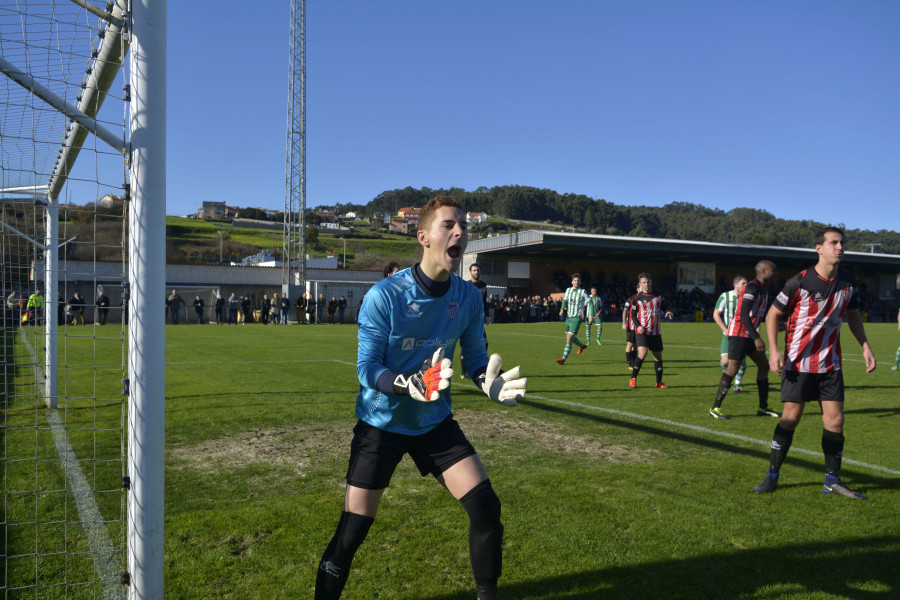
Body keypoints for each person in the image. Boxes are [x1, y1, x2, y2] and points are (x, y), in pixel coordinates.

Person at [314, 197, 526, 600]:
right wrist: (406, 385)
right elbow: (367, 368)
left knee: (486, 509)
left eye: (463, 225)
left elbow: (476, 360)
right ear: (424, 237)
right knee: (351, 532)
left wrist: (488, 382)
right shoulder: (385, 295)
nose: (460, 232)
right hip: (382, 424)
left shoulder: (468, 297)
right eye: (449, 225)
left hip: (433, 422)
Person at [754, 227, 876, 499]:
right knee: (791, 418)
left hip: (830, 364)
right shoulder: (800, 281)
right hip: (798, 363)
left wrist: (865, 345)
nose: (840, 247)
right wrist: (774, 351)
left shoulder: (848, 281)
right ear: (819, 248)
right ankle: (772, 475)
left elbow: (853, 315)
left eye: (842, 242)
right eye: (833, 242)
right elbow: (772, 315)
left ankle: (832, 480)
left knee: (835, 421)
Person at [708, 262, 781, 419]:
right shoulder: (752, 287)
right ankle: (715, 408)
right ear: (763, 271)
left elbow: (757, 315)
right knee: (732, 369)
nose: (776, 273)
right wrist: (757, 338)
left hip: (749, 334)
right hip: (740, 335)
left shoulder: (763, 289)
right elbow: (742, 314)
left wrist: (779, 325)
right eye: (773, 271)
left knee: (763, 366)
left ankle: (763, 407)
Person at [629, 273, 674, 388]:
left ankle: (659, 382)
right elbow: (633, 315)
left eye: (648, 282)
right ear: (640, 284)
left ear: (651, 282)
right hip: (642, 331)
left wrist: (668, 311)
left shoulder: (659, 295)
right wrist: (638, 326)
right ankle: (633, 378)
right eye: (644, 282)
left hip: (655, 332)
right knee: (643, 353)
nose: (646, 284)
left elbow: (665, 306)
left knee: (658, 357)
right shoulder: (636, 298)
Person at [713, 275, 748, 393]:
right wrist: (724, 329)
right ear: (736, 285)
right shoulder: (725, 296)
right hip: (728, 333)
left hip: (741, 333)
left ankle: (737, 384)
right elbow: (716, 314)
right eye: (743, 283)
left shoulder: (747, 298)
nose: (746, 286)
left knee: (741, 360)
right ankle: (727, 370)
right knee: (725, 362)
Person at [461, 262, 489, 378]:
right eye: (474, 270)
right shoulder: (466, 285)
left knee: (485, 343)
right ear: (470, 272)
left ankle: (481, 366)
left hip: (479, 319)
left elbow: (484, 301)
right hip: (468, 319)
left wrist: (487, 315)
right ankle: (464, 372)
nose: (476, 272)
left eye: (478, 270)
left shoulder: (483, 285)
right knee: (466, 345)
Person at [555, 273, 589, 365]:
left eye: (578, 280)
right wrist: (562, 309)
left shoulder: (583, 292)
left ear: (580, 282)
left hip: (576, 318)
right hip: (568, 317)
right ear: (572, 282)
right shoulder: (568, 290)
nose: (576, 282)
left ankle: (563, 359)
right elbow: (565, 301)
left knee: (569, 338)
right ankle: (582, 346)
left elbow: (590, 303)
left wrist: (589, 315)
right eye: (575, 280)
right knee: (570, 337)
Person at [622, 285, 639, 369]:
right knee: (630, 344)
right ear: (637, 289)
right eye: (640, 288)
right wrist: (624, 323)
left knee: (636, 345)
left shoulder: (645, 299)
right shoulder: (631, 299)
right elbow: (625, 310)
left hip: (639, 326)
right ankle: (629, 364)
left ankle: (635, 363)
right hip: (631, 325)